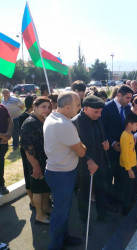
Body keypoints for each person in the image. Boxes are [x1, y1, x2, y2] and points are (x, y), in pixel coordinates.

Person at [44, 92, 89, 249]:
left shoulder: (53, 116)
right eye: (78, 105)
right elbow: (82, 151)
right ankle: (55, 246)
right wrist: (83, 144)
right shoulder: (64, 125)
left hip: (58, 172)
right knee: (60, 213)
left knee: (64, 210)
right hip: (62, 175)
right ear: (68, 107)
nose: (80, 108)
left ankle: (63, 238)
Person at [72, 95, 111, 229]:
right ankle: (84, 221)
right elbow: (73, 148)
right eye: (96, 112)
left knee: (102, 190)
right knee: (84, 195)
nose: (99, 115)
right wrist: (88, 160)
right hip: (83, 167)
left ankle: (102, 214)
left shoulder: (98, 119)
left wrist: (105, 144)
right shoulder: (75, 123)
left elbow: (102, 136)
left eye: (100, 111)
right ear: (86, 108)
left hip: (101, 163)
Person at [20, 97, 52, 224]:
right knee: (38, 189)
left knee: (45, 187)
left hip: (45, 160)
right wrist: (36, 166)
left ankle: (46, 208)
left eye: (49, 107)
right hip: (36, 162)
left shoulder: (43, 120)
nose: (47, 109)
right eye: (43, 107)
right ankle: (39, 215)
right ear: (35, 107)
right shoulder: (29, 123)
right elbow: (28, 148)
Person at [101, 85, 133, 197]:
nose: (130, 101)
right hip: (110, 149)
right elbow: (102, 129)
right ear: (119, 95)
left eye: (130, 98)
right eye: (127, 98)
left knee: (120, 175)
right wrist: (113, 142)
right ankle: (108, 201)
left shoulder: (128, 108)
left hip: (123, 149)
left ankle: (118, 198)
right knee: (109, 176)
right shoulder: (106, 108)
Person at [119, 113, 137, 215]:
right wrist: (129, 170)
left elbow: (132, 152)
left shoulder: (130, 135)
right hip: (127, 167)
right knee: (128, 189)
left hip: (132, 165)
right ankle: (125, 210)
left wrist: (136, 164)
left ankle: (131, 205)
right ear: (129, 124)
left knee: (133, 187)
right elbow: (124, 154)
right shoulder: (124, 136)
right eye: (136, 125)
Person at [0, 89, 13, 195]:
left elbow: (10, 121)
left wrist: (8, 134)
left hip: (3, 142)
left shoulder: (2, 108)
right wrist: (3, 136)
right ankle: (0, 185)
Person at [19, 95, 36, 208]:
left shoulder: (37, 116)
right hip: (27, 149)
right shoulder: (23, 117)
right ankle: (32, 201)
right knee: (28, 173)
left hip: (36, 149)